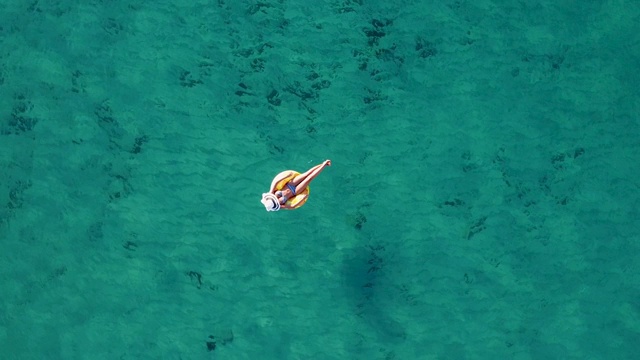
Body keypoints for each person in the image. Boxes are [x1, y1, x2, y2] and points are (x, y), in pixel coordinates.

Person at [261, 160, 331, 211]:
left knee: (306, 174)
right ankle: (324, 165)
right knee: (309, 178)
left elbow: (275, 182)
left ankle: (323, 164)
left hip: (290, 184)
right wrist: (303, 198)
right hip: (295, 191)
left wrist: (286, 176)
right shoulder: (279, 206)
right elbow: (292, 206)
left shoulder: (271, 192)